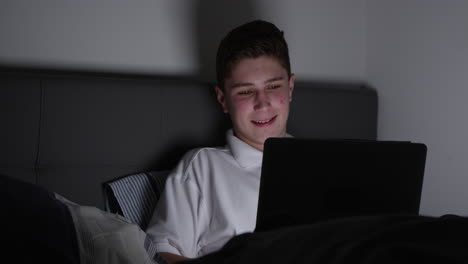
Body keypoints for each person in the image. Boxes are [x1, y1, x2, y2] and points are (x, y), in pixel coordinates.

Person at [145, 19, 295, 263]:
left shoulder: (319, 166)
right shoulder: (203, 168)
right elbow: (161, 251)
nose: (262, 103)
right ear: (223, 99)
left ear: (290, 88)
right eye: (246, 91)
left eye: (273, 86)